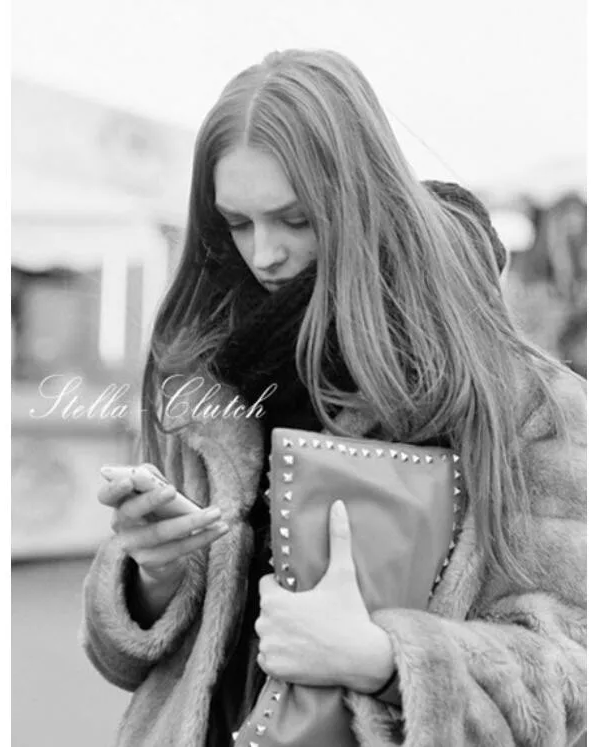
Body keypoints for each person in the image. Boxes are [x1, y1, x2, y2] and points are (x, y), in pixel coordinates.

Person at [80, 49, 587, 746]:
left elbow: (576, 673)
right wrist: (154, 576)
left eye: (295, 219)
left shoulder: (522, 398)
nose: (264, 253)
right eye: (237, 223)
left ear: (364, 201)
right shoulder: (206, 379)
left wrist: (385, 661)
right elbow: (128, 665)